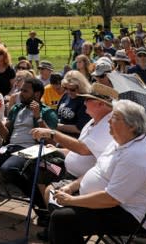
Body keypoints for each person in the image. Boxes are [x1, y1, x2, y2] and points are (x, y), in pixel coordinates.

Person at [46, 100, 146, 244]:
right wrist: (71, 187)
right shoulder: (118, 141)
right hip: (108, 202)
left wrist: (72, 200)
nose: (108, 121)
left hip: (127, 213)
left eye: (114, 118)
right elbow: (97, 170)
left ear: (132, 126)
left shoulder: (136, 156)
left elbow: (111, 199)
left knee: (62, 219)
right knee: (54, 199)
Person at [0, 78, 58, 231]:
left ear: (37, 94)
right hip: (10, 148)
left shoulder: (47, 112)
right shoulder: (16, 109)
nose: (21, 93)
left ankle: (41, 205)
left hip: (30, 151)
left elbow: (52, 142)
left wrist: (38, 117)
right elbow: (6, 135)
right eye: (20, 90)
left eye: (25, 91)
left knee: (8, 169)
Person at [31, 83, 118, 235]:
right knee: (40, 166)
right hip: (68, 168)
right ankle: (52, 219)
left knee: (50, 187)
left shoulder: (107, 125)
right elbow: (80, 149)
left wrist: (53, 134)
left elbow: (83, 149)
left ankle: (56, 224)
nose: (83, 102)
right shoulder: (94, 120)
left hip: (81, 177)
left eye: (87, 100)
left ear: (100, 104)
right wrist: (58, 150)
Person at [55, 71, 92, 138]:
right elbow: (58, 115)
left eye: (72, 89)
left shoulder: (85, 101)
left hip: (75, 139)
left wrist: (56, 126)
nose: (68, 92)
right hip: (61, 136)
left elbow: (80, 128)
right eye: (65, 88)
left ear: (81, 87)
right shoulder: (66, 95)